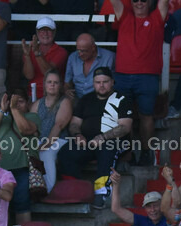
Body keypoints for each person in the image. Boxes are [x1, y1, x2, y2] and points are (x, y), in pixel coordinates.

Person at [58, 67, 132, 208]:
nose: (101, 85)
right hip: (88, 142)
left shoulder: (122, 99)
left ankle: (101, 193)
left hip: (113, 142)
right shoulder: (86, 99)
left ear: (112, 82)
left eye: (105, 82)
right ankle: (77, 189)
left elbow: (125, 127)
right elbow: (74, 123)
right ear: (93, 83)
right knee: (65, 153)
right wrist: (77, 135)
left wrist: (103, 138)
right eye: (98, 82)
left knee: (107, 151)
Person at [110, 0, 168, 166]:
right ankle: (126, 155)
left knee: (146, 116)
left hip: (147, 77)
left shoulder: (157, 18)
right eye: (135, 0)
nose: (139, 3)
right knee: (121, 117)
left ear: (150, 2)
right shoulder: (125, 17)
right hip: (122, 76)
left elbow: (164, 3)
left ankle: (145, 153)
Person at [0, 90, 37, 222]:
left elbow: (24, 129)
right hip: (0, 169)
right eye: (13, 102)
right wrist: (3, 109)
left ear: (27, 103)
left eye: (20, 101)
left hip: (22, 168)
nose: (17, 104)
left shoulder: (32, 116)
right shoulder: (3, 117)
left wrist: (13, 109)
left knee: (22, 205)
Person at [33, 70, 71, 194]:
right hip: (40, 139)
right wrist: (33, 144)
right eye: (49, 82)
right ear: (44, 84)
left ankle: (48, 189)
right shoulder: (38, 103)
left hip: (59, 140)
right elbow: (31, 125)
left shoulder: (64, 101)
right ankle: (32, 188)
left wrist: (46, 144)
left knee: (47, 154)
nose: (52, 85)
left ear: (60, 85)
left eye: (55, 82)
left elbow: (59, 125)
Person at [22, 17, 67, 101]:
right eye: (42, 30)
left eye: (49, 30)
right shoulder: (30, 50)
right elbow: (29, 76)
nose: (45, 34)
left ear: (54, 32)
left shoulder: (61, 51)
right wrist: (27, 56)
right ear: (37, 32)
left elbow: (49, 73)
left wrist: (37, 53)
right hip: (33, 94)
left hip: (53, 95)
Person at [64, 33, 115, 99]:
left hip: (99, 98)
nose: (80, 54)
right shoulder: (73, 57)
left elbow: (114, 83)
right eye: (78, 50)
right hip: (77, 97)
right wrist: (67, 90)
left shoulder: (109, 57)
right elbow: (67, 81)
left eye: (83, 51)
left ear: (93, 48)